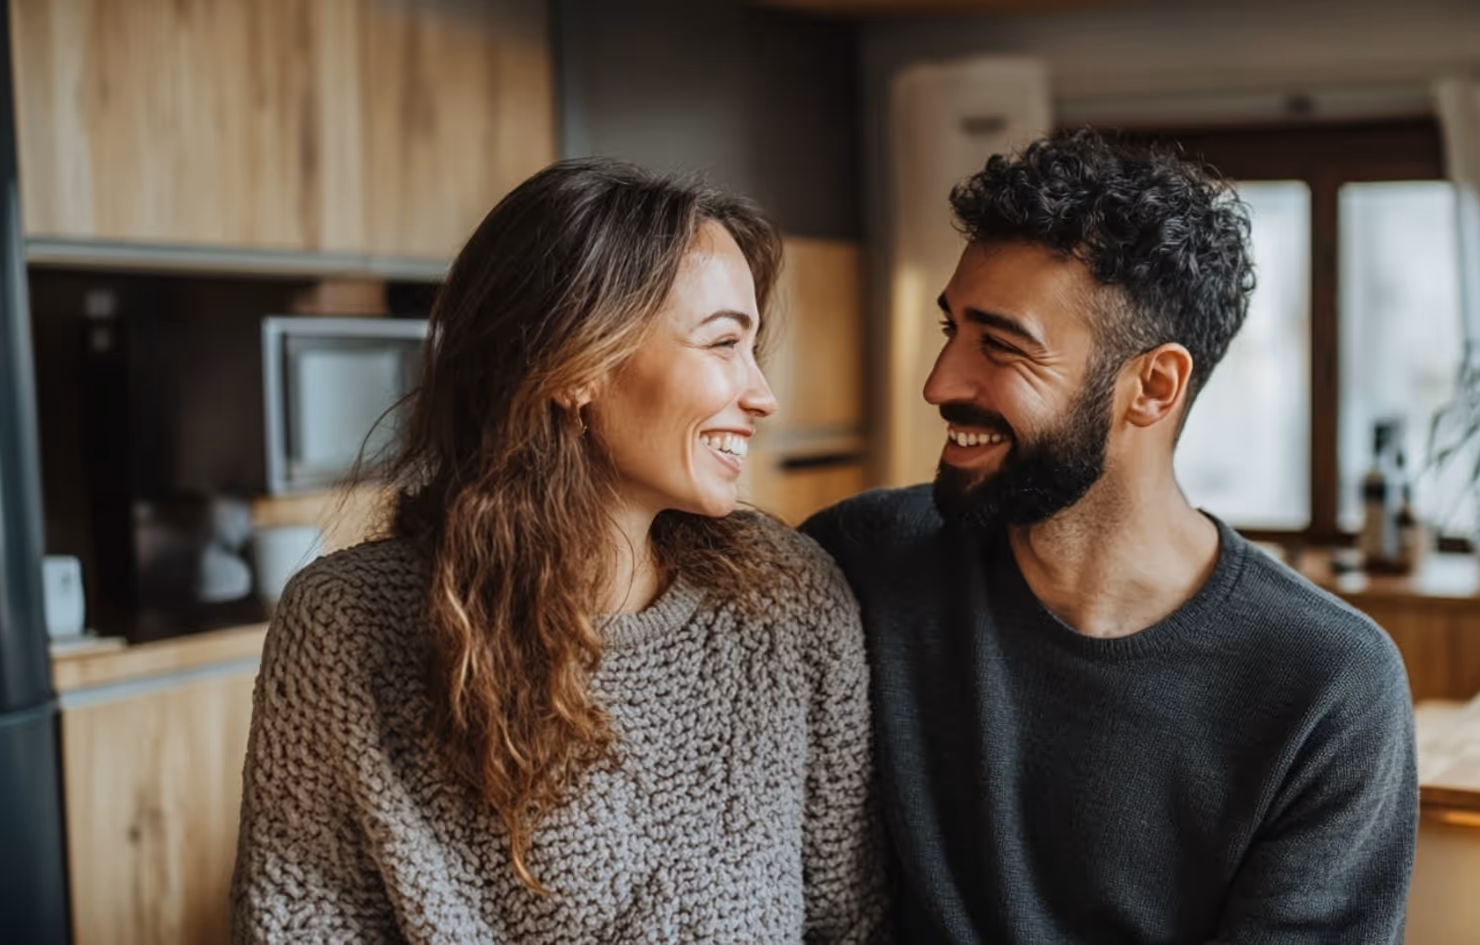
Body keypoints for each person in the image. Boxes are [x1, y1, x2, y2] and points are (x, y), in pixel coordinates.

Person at [233, 159, 886, 943]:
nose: (761, 394)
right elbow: (300, 924)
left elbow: (850, 923)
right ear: (578, 366)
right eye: (723, 344)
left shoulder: (790, 600)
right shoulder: (346, 627)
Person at [803, 130, 1417, 944]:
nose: (940, 382)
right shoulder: (862, 559)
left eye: (1002, 345)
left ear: (1153, 386)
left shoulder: (1329, 686)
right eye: (951, 329)